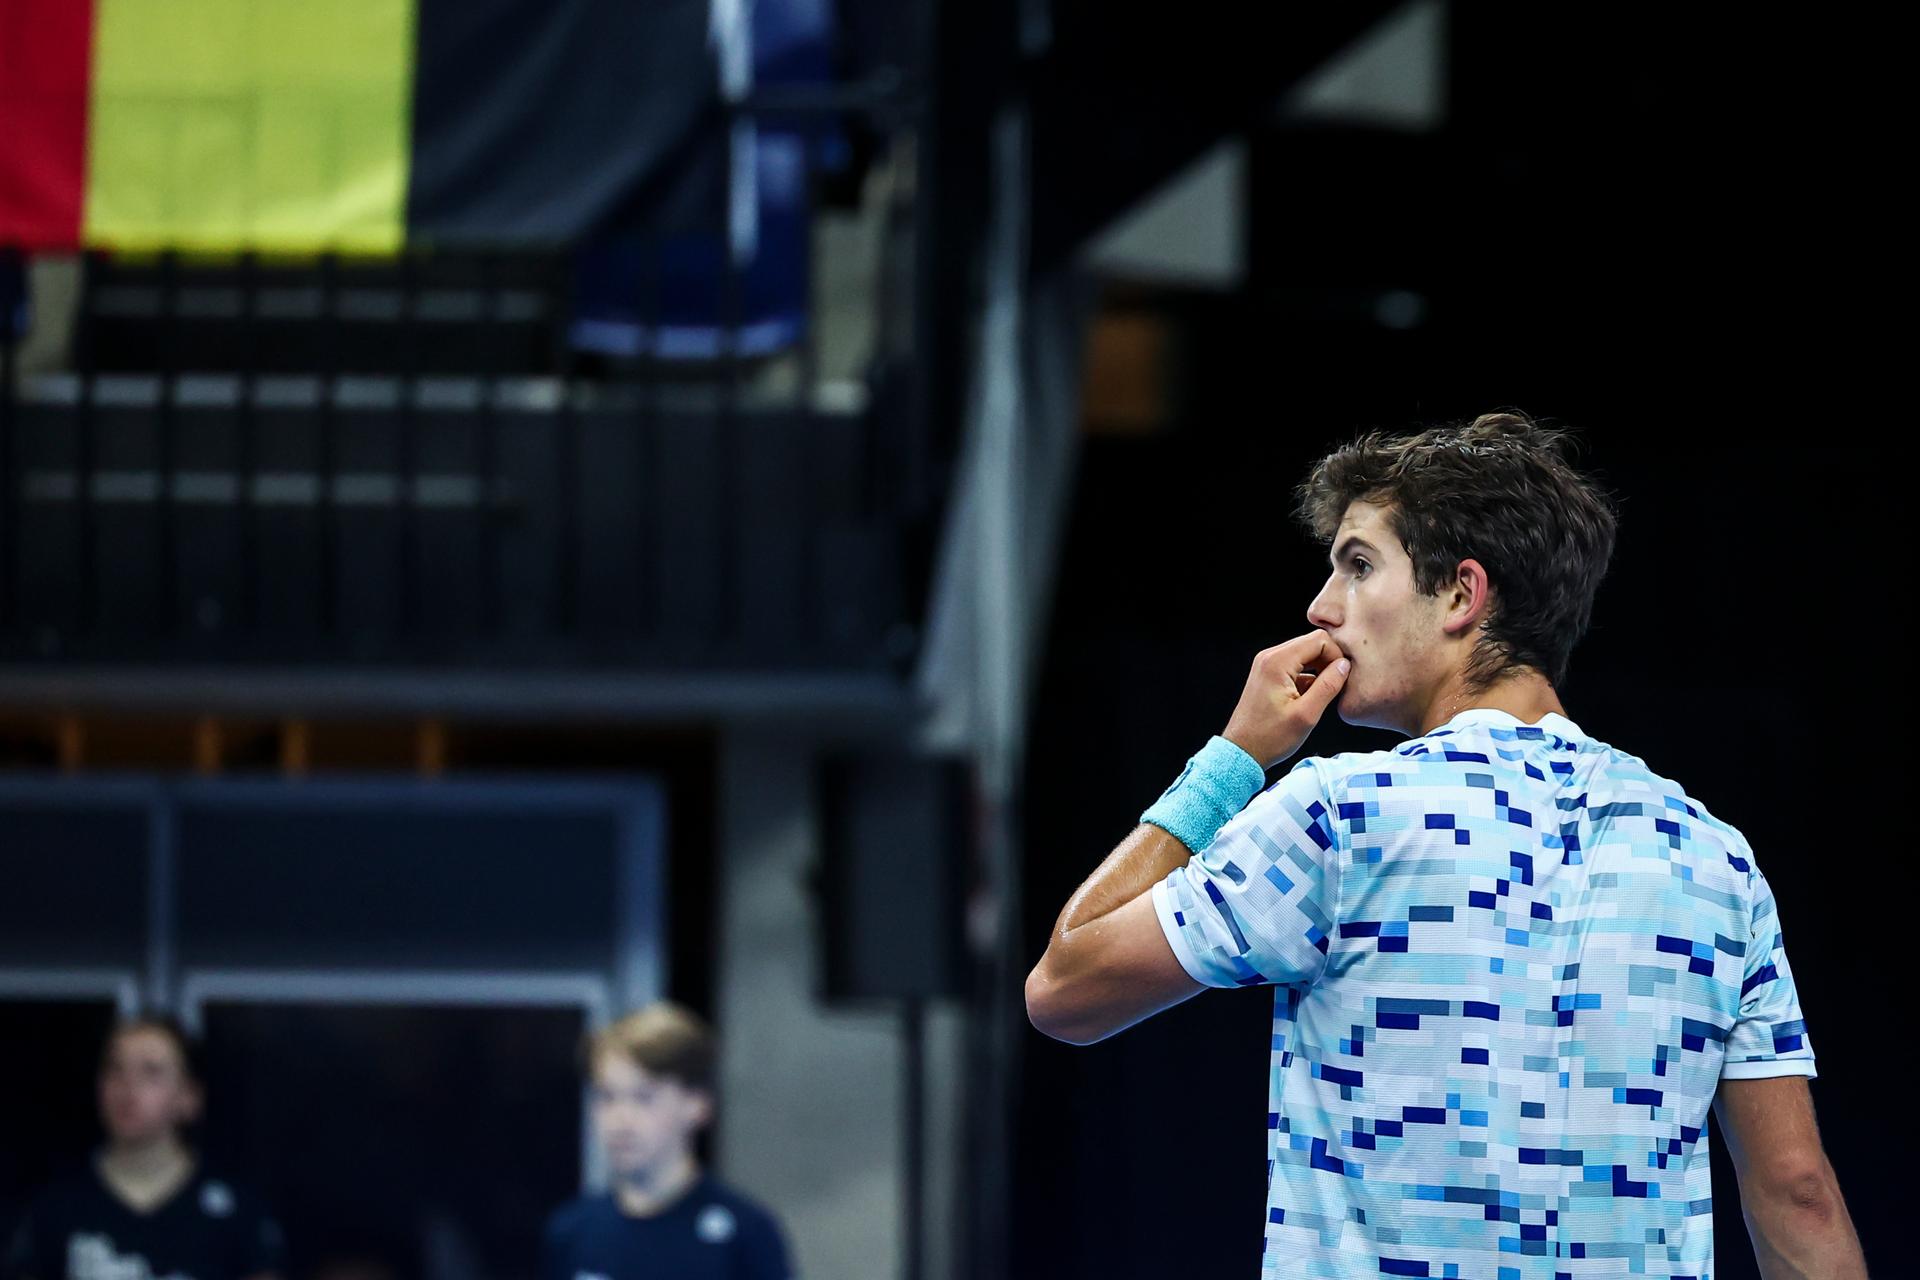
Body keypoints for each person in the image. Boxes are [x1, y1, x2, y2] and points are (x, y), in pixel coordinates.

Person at [1026, 414, 1869, 1278]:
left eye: (1358, 565)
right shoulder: (1717, 861)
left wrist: (1235, 758)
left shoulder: (1342, 813)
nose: (1321, 608)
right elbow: (1798, 1192)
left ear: (1463, 595)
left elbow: (1065, 988)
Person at [2, 1016, 285, 1280]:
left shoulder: (236, 1211)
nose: (128, 1086)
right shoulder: (56, 1207)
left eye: (151, 1072)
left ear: (189, 1097)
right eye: (115, 1069)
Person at [543, 1003, 792, 1280]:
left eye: (644, 1098)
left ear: (697, 1103)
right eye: (607, 1097)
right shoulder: (573, 1231)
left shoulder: (745, 1234)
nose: (621, 1121)